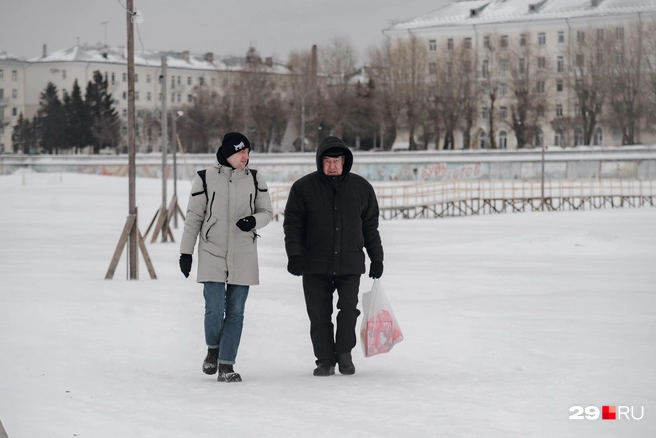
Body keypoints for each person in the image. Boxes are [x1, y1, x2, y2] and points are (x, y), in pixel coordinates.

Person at [283, 136, 384, 377]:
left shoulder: (361, 188)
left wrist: (377, 257)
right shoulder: (303, 188)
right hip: (314, 264)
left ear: (345, 161)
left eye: (336, 160)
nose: (332, 166)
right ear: (320, 161)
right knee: (319, 314)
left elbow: (370, 227)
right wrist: (295, 255)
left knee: (349, 310)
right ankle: (324, 360)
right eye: (327, 160)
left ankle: (344, 354)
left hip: (350, 263)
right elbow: (293, 225)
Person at [179, 132, 273, 383]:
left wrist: (253, 220)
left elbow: (267, 212)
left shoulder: (255, 178)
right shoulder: (205, 179)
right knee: (214, 307)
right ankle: (213, 349)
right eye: (241, 152)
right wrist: (185, 252)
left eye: (248, 152)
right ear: (228, 153)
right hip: (212, 251)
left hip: (243, 252)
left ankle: (226, 365)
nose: (246, 156)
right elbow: (194, 218)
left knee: (236, 311)